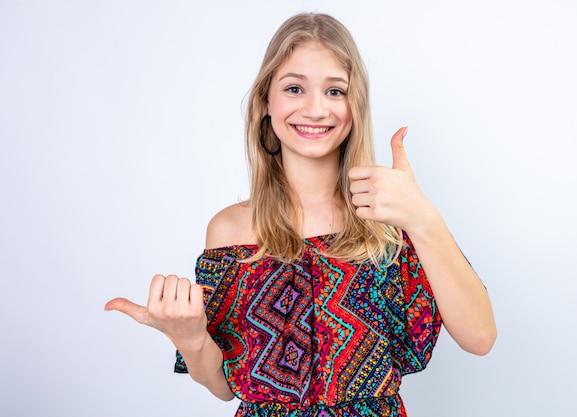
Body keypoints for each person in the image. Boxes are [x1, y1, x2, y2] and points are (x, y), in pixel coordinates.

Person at [105, 12, 496, 417]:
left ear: (355, 104)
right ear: (266, 102)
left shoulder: (392, 216)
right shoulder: (229, 230)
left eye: (334, 91)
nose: (315, 109)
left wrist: (424, 219)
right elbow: (226, 387)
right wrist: (190, 339)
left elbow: (480, 337)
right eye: (295, 88)